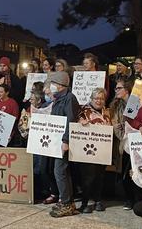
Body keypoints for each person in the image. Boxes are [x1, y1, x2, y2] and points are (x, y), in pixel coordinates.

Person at [48, 71, 81, 218]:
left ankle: (67, 203)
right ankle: (68, 201)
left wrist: (66, 141)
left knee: (60, 171)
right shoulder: (58, 98)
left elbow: (70, 120)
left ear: (60, 85)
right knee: (61, 171)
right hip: (57, 140)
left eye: (53, 83)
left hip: (64, 141)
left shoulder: (69, 98)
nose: (51, 86)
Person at [77, 88, 111, 213]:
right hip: (87, 150)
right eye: (96, 98)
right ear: (91, 99)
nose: (99, 101)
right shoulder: (82, 111)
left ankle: (98, 200)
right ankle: (84, 203)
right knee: (88, 177)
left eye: (102, 98)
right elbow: (76, 125)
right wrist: (80, 122)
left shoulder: (106, 112)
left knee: (100, 176)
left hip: (102, 149)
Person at [111, 80, 137, 209]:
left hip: (137, 141)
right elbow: (116, 126)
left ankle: (137, 198)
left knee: (136, 170)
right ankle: (129, 199)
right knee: (125, 173)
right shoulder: (116, 105)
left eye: (118, 88)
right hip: (124, 142)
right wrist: (124, 137)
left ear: (127, 90)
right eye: (116, 88)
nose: (116, 90)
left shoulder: (136, 103)